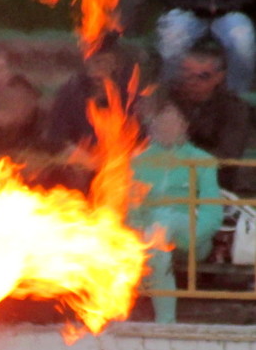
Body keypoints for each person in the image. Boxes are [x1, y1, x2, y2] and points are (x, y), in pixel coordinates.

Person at [130, 100, 222, 323]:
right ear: (151, 127)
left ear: (184, 126)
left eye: (173, 122)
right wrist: (135, 234)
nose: (167, 128)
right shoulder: (138, 161)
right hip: (152, 238)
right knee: (157, 248)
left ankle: (163, 319)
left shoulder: (202, 161)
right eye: (161, 123)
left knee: (162, 222)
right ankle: (165, 323)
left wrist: (197, 234)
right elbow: (132, 209)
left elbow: (212, 209)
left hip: (192, 236)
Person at [43, 33, 145, 194]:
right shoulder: (71, 92)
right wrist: (86, 160)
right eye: (94, 62)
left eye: (105, 62)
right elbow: (56, 139)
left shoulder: (131, 94)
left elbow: (143, 140)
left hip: (124, 172)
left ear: (116, 63)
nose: (98, 69)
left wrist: (119, 164)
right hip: (80, 169)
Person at [164, 37, 254, 195]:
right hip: (164, 179)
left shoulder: (234, 109)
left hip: (215, 185)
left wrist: (184, 158)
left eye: (202, 76)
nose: (192, 82)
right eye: (187, 74)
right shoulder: (167, 99)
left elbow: (228, 155)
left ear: (219, 77)